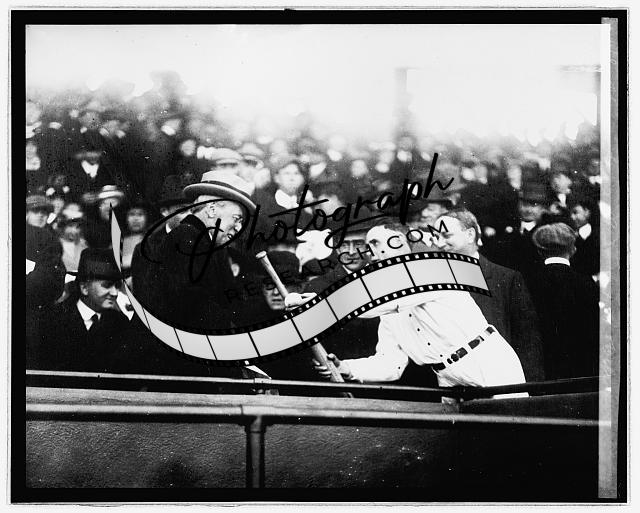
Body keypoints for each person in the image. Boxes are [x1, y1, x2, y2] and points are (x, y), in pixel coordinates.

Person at [312, 220, 527, 393]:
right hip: (447, 377)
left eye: (376, 243)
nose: (371, 253)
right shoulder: (388, 304)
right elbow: (391, 364)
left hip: (487, 362)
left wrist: (317, 303)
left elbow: (371, 305)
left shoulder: (429, 269)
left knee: (512, 428)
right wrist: (346, 367)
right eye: (369, 247)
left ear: (400, 242)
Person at [435, 208, 545, 382]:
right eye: (436, 237)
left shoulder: (506, 279)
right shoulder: (430, 280)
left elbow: (527, 340)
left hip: (497, 381)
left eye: (446, 235)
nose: (439, 243)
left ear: (470, 235)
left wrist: (528, 387)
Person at [154, 171, 256, 331]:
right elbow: (193, 305)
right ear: (212, 209)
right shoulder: (185, 237)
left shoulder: (211, 246)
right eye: (236, 218)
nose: (239, 228)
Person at [36, 248, 131, 372]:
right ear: (84, 288)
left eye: (117, 285)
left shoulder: (120, 323)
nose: (115, 293)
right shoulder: (53, 320)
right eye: (107, 285)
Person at [528, 223, 599, 380]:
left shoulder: (529, 282)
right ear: (573, 250)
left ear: (540, 251)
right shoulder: (586, 283)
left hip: (542, 369)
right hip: (581, 369)